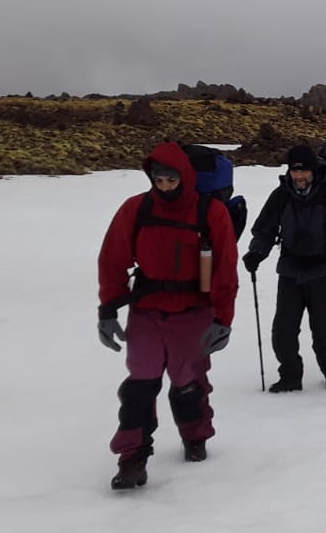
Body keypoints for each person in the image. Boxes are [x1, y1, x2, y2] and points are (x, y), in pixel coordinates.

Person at [97, 142, 239, 490]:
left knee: (187, 383)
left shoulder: (211, 213)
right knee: (140, 387)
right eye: (157, 180)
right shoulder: (137, 209)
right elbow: (113, 258)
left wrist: (224, 318)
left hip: (193, 312)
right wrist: (108, 308)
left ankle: (196, 436)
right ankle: (132, 458)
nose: (163, 187)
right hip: (146, 311)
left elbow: (224, 268)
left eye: (170, 181)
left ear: (184, 177)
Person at [242, 144, 326, 393]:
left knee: (325, 333)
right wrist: (257, 252)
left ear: (313, 171)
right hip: (290, 271)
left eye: (304, 171)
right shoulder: (281, 195)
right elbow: (265, 230)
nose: (299, 177)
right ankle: (291, 376)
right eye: (295, 172)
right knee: (283, 333)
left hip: (324, 271)